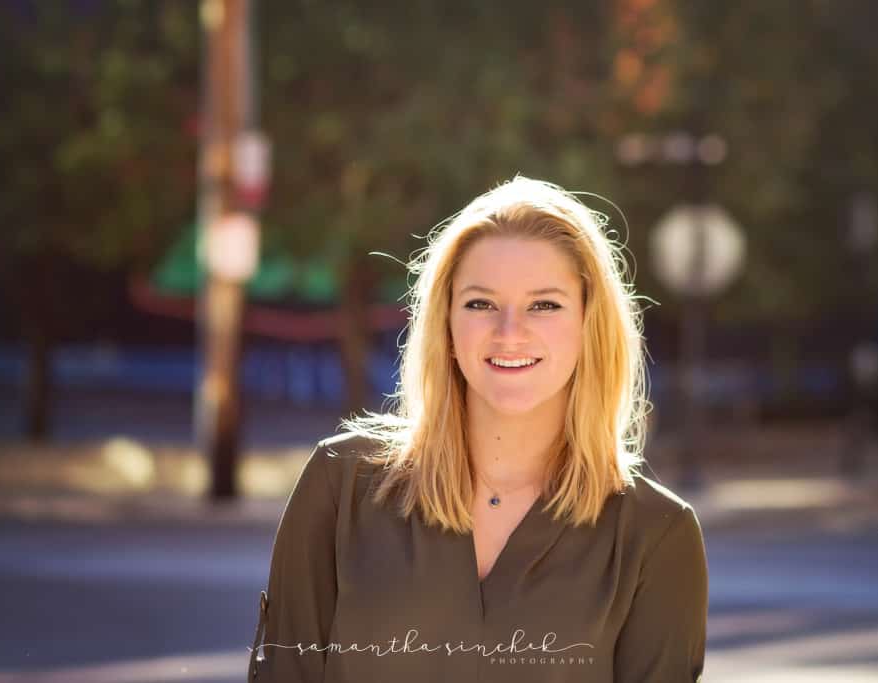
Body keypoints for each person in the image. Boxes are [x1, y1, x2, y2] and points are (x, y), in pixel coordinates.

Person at [247, 176, 708, 682]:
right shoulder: (341, 487)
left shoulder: (656, 535)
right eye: (481, 303)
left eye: (545, 304)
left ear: (589, 325)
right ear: (445, 322)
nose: (510, 332)